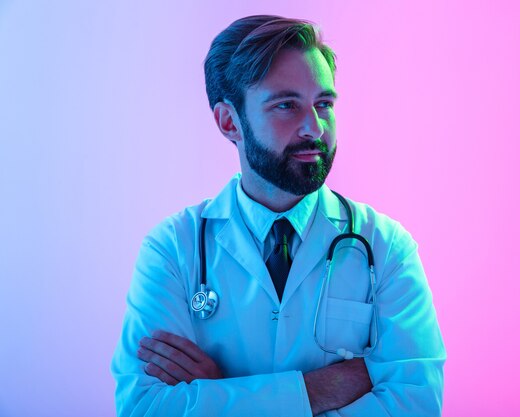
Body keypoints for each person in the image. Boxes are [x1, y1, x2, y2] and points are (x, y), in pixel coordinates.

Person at [111, 15, 446, 417]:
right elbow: (144, 407)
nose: (315, 127)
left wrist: (223, 393)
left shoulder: (387, 247)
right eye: (287, 105)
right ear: (229, 121)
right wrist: (319, 389)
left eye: (324, 103)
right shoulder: (172, 250)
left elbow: (416, 405)